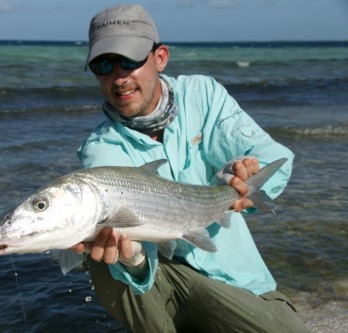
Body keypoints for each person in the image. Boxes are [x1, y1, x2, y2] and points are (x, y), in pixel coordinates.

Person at [71, 4, 308, 333]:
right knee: (99, 252)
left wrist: (246, 181)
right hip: (160, 280)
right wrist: (134, 260)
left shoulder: (203, 95)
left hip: (234, 279)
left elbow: (270, 155)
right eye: (103, 64)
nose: (119, 76)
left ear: (160, 58)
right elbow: (132, 256)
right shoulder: (101, 149)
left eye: (129, 59)